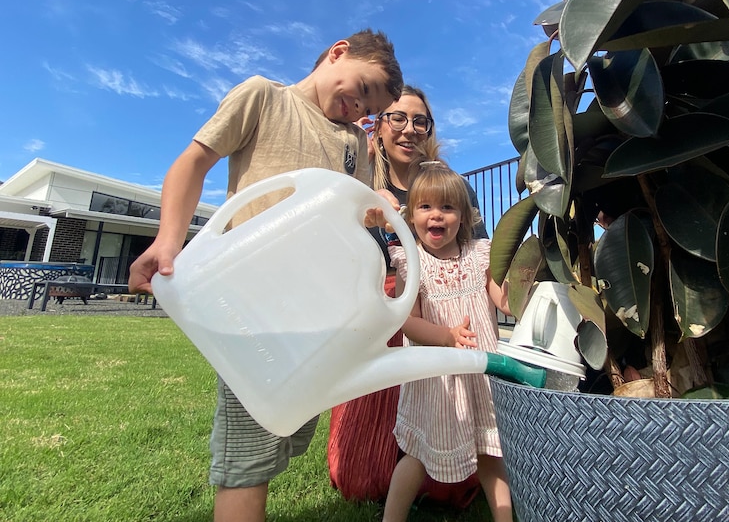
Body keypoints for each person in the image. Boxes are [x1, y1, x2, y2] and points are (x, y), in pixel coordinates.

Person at [127, 28, 403, 522]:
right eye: (360, 89)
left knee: (289, 426)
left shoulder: (355, 142)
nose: (358, 108)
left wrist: (374, 204)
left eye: (369, 109)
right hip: (253, 299)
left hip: (316, 305)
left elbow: (352, 214)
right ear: (338, 52)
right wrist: (169, 240)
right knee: (249, 452)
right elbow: (193, 162)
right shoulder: (264, 97)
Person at [327, 86, 486, 507]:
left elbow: (478, 250)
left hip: (439, 314)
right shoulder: (360, 183)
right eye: (397, 118)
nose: (409, 129)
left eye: (420, 120)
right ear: (377, 125)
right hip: (381, 319)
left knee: (448, 472)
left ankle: (440, 479)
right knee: (358, 476)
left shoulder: (448, 185)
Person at [382, 160, 513, 522]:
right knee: (418, 455)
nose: (436, 216)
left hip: (480, 377)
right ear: (411, 218)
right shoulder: (412, 262)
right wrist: (446, 336)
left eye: (447, 207)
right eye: (425, 207)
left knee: (490, 453)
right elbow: (408, 323)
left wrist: (520, 291)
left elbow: (502, 299)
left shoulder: (479, 254)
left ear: (464, 216)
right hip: (435, 381)